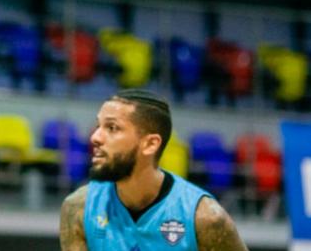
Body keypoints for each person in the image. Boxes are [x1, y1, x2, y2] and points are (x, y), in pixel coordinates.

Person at [59, 89, 247, 251]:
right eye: (98, 126)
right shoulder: (78, 208)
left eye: (112, 127)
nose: (95, 137)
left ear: (150, 144)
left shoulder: (205, 217)